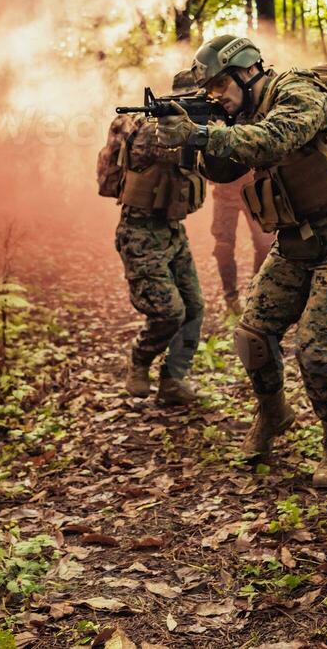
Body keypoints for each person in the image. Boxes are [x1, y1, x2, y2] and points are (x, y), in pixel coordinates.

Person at [154, 36, 327, 489]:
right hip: (295, 242)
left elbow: (273, 139)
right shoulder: (240, 113)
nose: (215, 95)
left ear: (247, 70)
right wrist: (188, 141)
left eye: (220, 84)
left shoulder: (298, 91)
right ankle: (274, 413)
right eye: (210, 89)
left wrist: (201, 132)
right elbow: (222, 168)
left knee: (316, 347)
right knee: (252, 335)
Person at [96, 69, 209, 407]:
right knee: (169, 312)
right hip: (141, 233)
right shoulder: (151, 129)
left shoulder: (194, 127)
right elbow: (166, 149)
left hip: (173, 230)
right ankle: (140, 359)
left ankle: (173, 381)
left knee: (194, 308)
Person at [210, 174, 273, 318]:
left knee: (265, 245)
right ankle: (231, 299)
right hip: (224, 193)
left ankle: (255, 292)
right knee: (223, 248)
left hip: (254, 191)